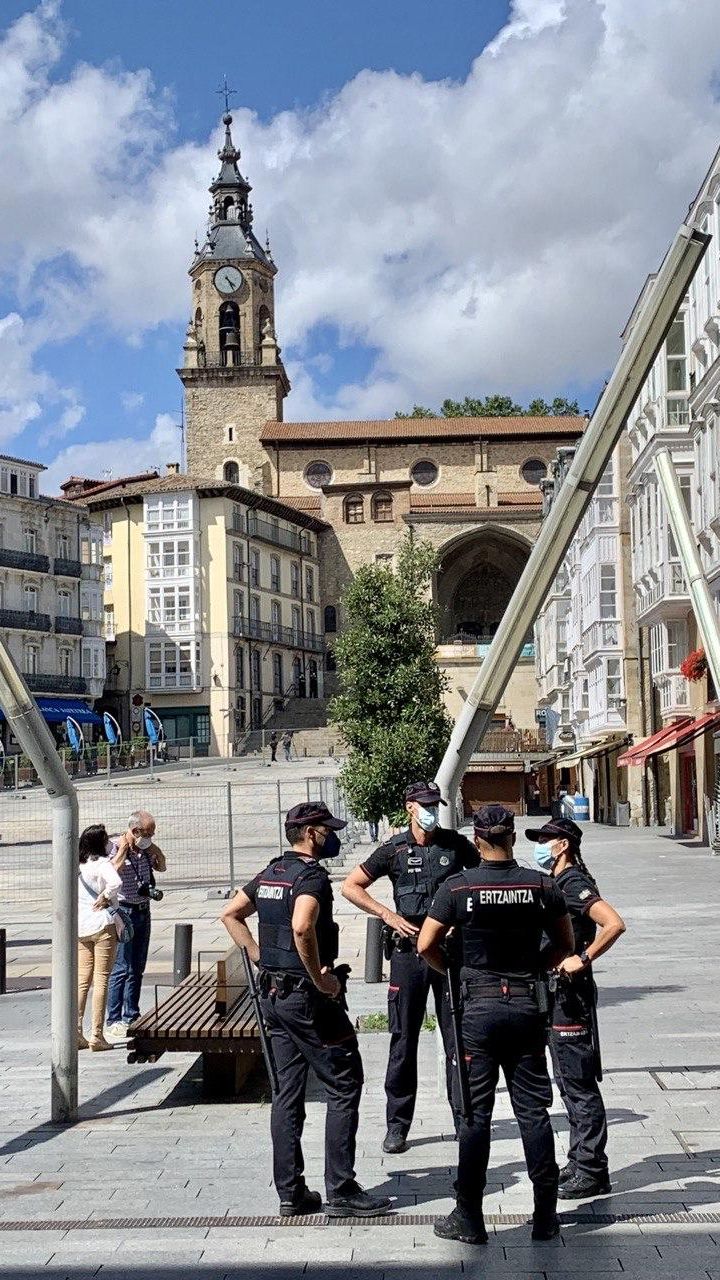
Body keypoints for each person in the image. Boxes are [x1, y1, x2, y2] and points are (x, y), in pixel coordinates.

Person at [220, 801, 391, 1218]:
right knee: (345, 1082)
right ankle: (342, 1190)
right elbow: (302, 926)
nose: (332, 836)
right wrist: (321, 980)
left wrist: (261, 956)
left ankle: (291, 1193)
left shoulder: (272, 872)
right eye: (328, 829)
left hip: (274, 999)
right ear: (312, 833)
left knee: (287, 1093)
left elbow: (230, 913)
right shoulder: (310, 877)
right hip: (309, 1001)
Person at [418, 804, 574, 1245]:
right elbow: (564, 944)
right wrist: (534, 969)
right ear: (511, 836)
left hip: (477, 1010)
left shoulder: (457, 888)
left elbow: (426, 944)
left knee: (474, 1115)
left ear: (477, 839)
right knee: (533, 1112)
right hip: (526, 1006)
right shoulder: (542, 885)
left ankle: (469, 1216)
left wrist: (453, 966)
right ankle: (546, 1215)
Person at [342, 780, 479, 1153]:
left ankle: (462, 1117)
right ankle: (397, 1125)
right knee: (403, 1039)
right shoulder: (394, 850)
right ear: (410, 808)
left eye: (436, 803)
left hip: (449, 953)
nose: (432, 810)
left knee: (457, 1039)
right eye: (426, 804)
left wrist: (460, 920)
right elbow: (351, 886)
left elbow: (481, 881)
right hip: (408, 954)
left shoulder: (456, 845)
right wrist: (387, 915)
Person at [525, 817, 626, 1200]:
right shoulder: (555, 882)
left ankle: (593, 1170)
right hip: (555, 994)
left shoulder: (574, 884)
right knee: (567, 1082)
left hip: (570, 995)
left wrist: (582, 958)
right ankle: (579, 1159)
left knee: (578, 1083)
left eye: (545, 840)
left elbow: (613, 924)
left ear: (563, 844)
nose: (540, 846)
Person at [105, 810, 166, 1042]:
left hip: (143, 910)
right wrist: (123, 848)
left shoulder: (145, 850)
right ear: (135, 830)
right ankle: (114, 1019)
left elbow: (162, 867)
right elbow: (112, 873)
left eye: (152, 833)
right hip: (125, 911)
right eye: (147, 833)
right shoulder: (113, 846)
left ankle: (132, 1014)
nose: (149, 837)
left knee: (137, 967)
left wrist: (154, 849)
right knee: (121, 967)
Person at [77, 824, 122, 1051]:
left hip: (82, 926)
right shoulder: (102, 864)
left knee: (83, 980)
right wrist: (106, 896)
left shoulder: (79, 866)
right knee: (102, 977)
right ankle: (97, 1035)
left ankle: (76, 1033)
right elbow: (116, 883)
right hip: (102, 924)